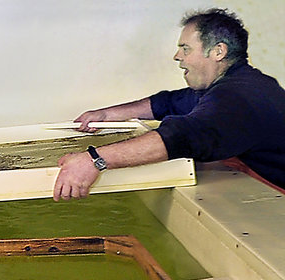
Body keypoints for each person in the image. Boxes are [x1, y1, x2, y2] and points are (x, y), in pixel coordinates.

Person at [53, 8, 285, 201]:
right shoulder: (235, 84)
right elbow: (169, 102)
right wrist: (107, 114)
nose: (177, 56)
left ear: (218, 51)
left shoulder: (238, 98)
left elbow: (182, 136)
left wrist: (94, 160)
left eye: (185, 48)